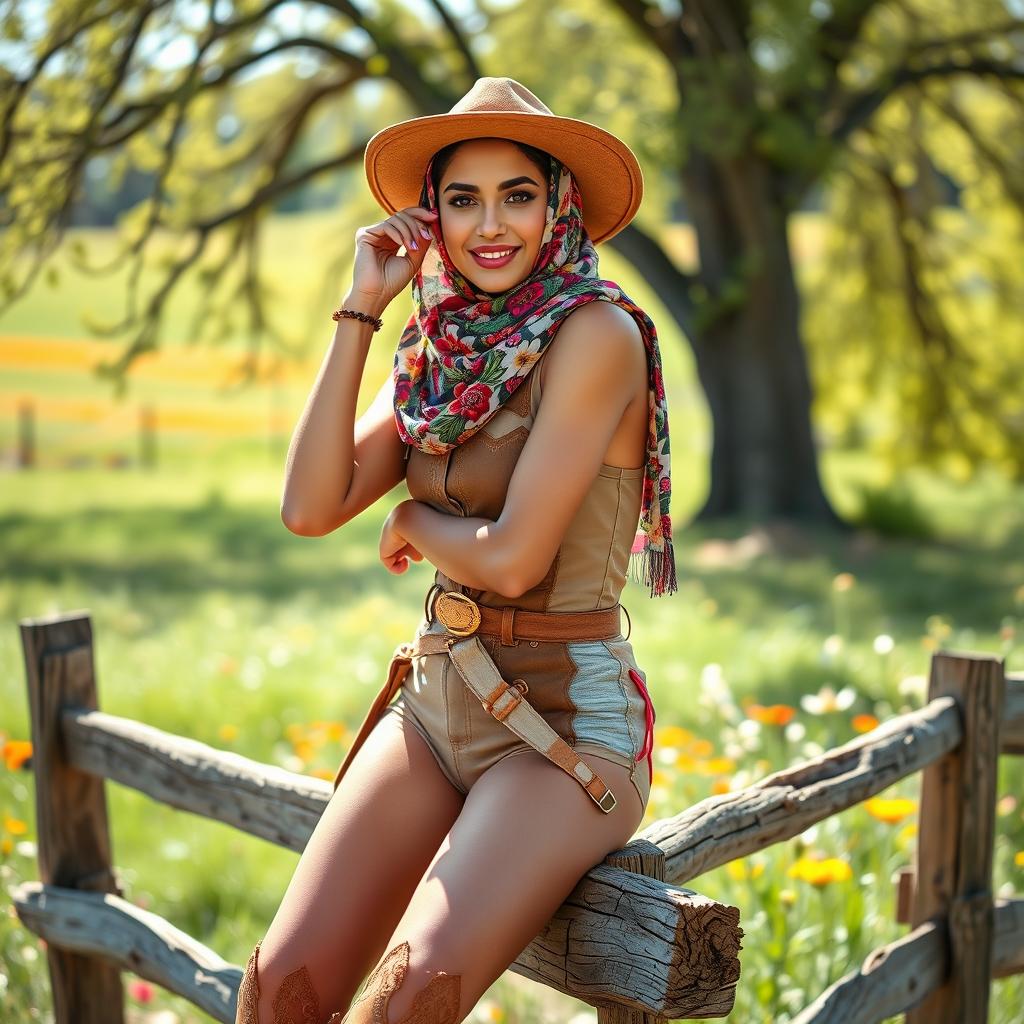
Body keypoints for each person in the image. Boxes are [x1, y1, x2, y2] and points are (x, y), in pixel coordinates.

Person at [235, 76, 677, 1024]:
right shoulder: (441, 354)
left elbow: (515, 561)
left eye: (518, 194)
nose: (491, 225)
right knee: (279, 994)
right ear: (429, 213)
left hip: (564, 726)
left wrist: (411, 524)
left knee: (406, 1006)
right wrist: (364, 309)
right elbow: (310, 507)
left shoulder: (595, 333)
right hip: (442, 697)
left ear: (558, 204)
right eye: (462, 198)